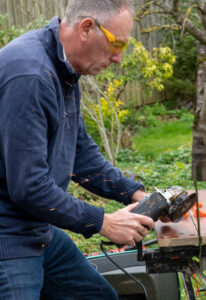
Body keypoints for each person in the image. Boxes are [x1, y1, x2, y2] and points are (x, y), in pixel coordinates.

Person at [0, 0, 155, 299]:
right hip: (8, 238)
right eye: (117, 44)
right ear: (87, 28)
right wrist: (104, 223)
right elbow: (29, 187)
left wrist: (135, 193)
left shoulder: (64, 70)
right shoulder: (31, 76)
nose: (119, 58)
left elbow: (80, 155)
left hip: (37, 230)